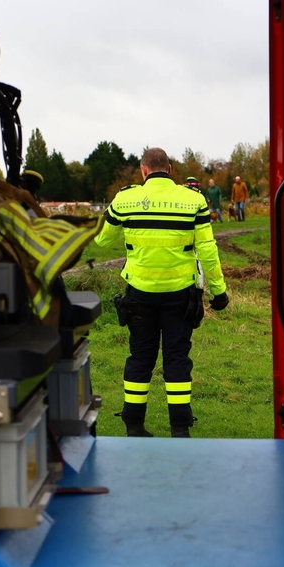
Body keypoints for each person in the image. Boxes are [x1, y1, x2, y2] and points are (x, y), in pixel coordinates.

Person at [95, 148, 229, 438]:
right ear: (169, 169)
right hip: (180, 294)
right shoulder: (193, 200)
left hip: (139, 293)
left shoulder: (125, 198)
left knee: (140, 357)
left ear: (144, 171)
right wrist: (218, 291)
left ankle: (133, 424)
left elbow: (103, 241)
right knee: (177, 357)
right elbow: (207, 249)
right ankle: (180, 428)